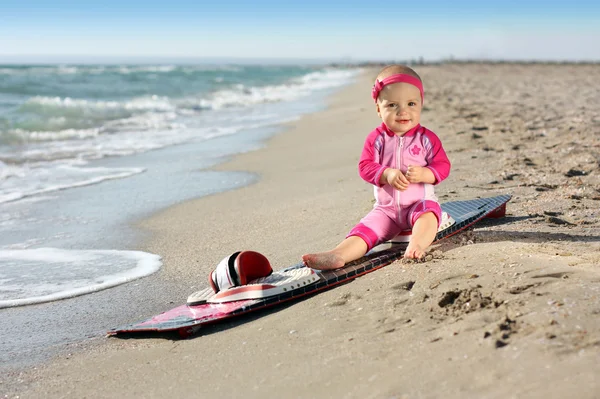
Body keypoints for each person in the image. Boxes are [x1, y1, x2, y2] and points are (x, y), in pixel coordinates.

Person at [302, 65, 451, 270]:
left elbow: (443, 165)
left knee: (429, 215)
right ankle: (339, 254)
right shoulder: (376, 139)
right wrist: (386, 173)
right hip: (386, 210)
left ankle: (417, 244)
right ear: (378, 109)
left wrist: (426, 173)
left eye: (411, 103)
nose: (403, 111)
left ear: (421, 105)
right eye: (392, 105)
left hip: (419, 203)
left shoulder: (427, 139)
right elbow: (365, 167)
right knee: (365, 230)